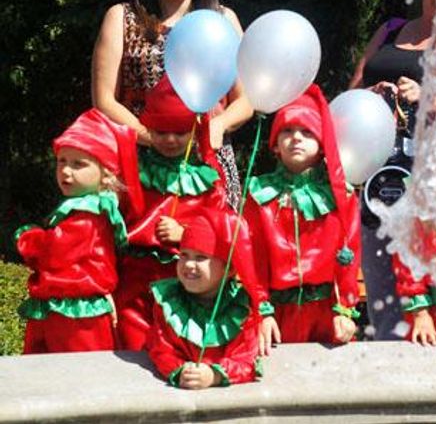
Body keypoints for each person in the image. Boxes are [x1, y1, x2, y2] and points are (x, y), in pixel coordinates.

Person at [91, 0, 252, 206]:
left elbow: (246, 99)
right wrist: (151, 138)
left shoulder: (223, 20)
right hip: (139, 165)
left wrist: (219, 125)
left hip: (209, 167)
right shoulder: (122, 17)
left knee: (205, 248)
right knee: (139, 248)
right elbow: (104, 99)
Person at [348, 0, 436, 340]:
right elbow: (350, 95)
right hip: (380, 184)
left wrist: (432, 97)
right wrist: (371, 98)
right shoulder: (390, 30)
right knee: (385, 305)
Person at [116, 76, 230, 350]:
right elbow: (115, 221)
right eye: (160, 131)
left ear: (194, 130)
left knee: (178, 346)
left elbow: (219, 229)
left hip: (185, 283)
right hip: (135, 281)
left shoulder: (207, 179)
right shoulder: (133, 171)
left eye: (179, 132)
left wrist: (186, 234)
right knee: (132, 347)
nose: (169, 139)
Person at [245, 85, 361, 351]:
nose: (296, 138)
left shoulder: (338, 195)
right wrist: (262, 310)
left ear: (322, 144)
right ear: (274, 144)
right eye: (287, 130)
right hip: (276, 314)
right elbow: (253, 256)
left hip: (327, 313)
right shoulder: (260, 193)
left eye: (306, 131)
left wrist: (345, 310)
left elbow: (350, 253)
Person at [16, 109, 138, 353]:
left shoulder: (87, 213)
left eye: (78, 164)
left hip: (75, 312)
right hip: (66, 305)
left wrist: (28, 239)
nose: (66, 171)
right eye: (62, 161)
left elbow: (54, 253)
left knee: (74, 373)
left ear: (106, 174)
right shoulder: (90, 207)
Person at [145, 211, 262, 388]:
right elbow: (161, 350)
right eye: (183, 255)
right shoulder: (168, 302)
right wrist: (180, 371)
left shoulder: (243, 307)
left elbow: (247, 359)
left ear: (229, 269)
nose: (189, 264)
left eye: (201, 258)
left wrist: (215, 375)